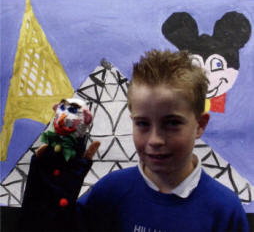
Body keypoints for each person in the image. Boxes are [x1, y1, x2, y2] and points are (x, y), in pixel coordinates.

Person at [21, 49, 249, 232]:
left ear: (200, 124)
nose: (155, 140)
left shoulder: (224, 210)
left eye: (172, 123)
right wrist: (48, 196)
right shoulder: (108, 193)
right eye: (142, 123)